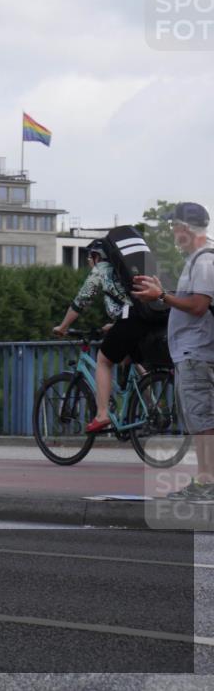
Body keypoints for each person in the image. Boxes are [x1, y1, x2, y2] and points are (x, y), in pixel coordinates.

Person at [132, 202, 214, 503]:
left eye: (174, 226)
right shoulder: (197, 261)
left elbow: (198, 306)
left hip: (197, 354)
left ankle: (207, 483)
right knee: (199, 418)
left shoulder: (204, 262)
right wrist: (163, 292)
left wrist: (162, 295)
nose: (171, 231)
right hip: (193, 353)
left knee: (202, 418)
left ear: (186, 228)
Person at [52, 238, 149, 434]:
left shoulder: (101, 269)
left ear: (97, 257)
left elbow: (82, 300)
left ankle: (102, 414)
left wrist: (63, 326)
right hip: (143, 320)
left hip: (128, 321)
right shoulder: (125, 270)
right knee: (132, 360)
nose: (89, 262)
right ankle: (154, 409)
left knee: (103, 361)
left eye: (90, 257)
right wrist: (114, 325)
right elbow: (127, 303)